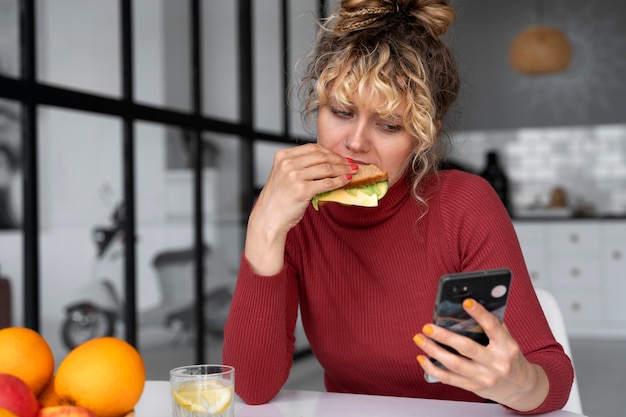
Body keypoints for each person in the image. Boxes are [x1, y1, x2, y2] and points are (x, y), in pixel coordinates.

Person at [223, 0, 574, 414]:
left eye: (389, 125)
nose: (355, 142)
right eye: (340, 112)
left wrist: (518, 382)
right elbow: (253, 387)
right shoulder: (297, 214)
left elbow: (552, 375)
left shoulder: (465, 205)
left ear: (422, 138)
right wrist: (264, 229)